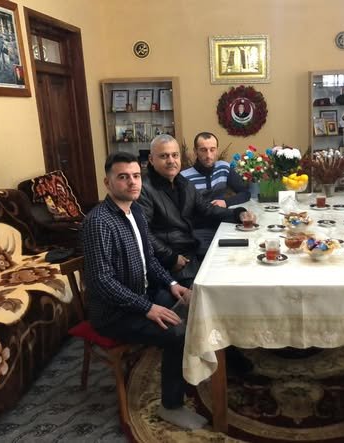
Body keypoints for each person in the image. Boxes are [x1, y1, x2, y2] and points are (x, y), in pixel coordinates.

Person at [82, 152, 207, 430]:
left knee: (195, 304)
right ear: (107, 182)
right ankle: (171, 406)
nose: (132, 182)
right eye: (123, 177)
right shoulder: (98, 222)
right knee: (177, 333)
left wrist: (172, 285)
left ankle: (190, 373)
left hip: (142, 295)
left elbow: (148, 259)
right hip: (113, 313)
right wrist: (148, 308)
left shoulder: (135, 210)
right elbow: (102, 281)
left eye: (136, 176)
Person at [138, 134, 250, 287]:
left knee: (236, 270)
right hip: (169, 262)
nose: (171, 160)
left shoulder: (183, 183)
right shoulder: (143, 189)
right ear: (151, 159)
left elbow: (207, 209)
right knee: (214, 289)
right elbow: (142, 232)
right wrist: (170, 257)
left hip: (190, 250)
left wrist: (238, 214)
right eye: (164, 156)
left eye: (175, 155)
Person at [180, 132, 250, 253]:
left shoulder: (223, 168)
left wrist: (225, 202)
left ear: (217, 150)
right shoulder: (184, 177)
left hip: (224, 222)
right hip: (200, 230)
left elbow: (245, 193)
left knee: (246, 246)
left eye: (212, 150)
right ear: (195, 151)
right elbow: (187, 215)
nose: (209, 155)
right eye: (203, 150)